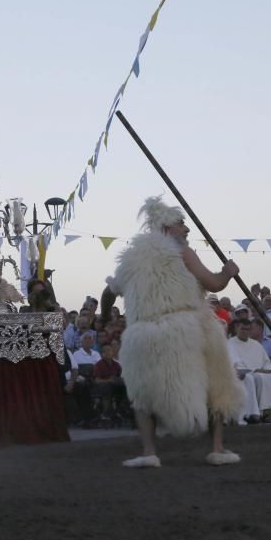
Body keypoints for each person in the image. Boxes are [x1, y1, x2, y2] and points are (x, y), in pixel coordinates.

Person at [101, 196, 243, 468]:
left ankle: (149, 451)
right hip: (187, 328)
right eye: (180, 224)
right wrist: (228, 272)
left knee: (143, 393)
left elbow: (110, 290)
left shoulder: (131, 259)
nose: (186, 230)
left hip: (142, 335)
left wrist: (105, 317)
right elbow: (213, 284)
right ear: (165, 229)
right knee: (216, 383)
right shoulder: (181, 252)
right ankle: (217, 448)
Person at [228, 318, 271, 423]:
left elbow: (266, 362)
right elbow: (236, 364)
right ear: (237, 328)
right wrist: (255, 370)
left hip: (263, 371)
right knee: (258, 378)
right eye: (242, 329)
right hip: (248, 374)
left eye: (247, 329)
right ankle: (261, 412)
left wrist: (267, 369)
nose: (245, 332)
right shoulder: (230, 343)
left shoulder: (256, 344)